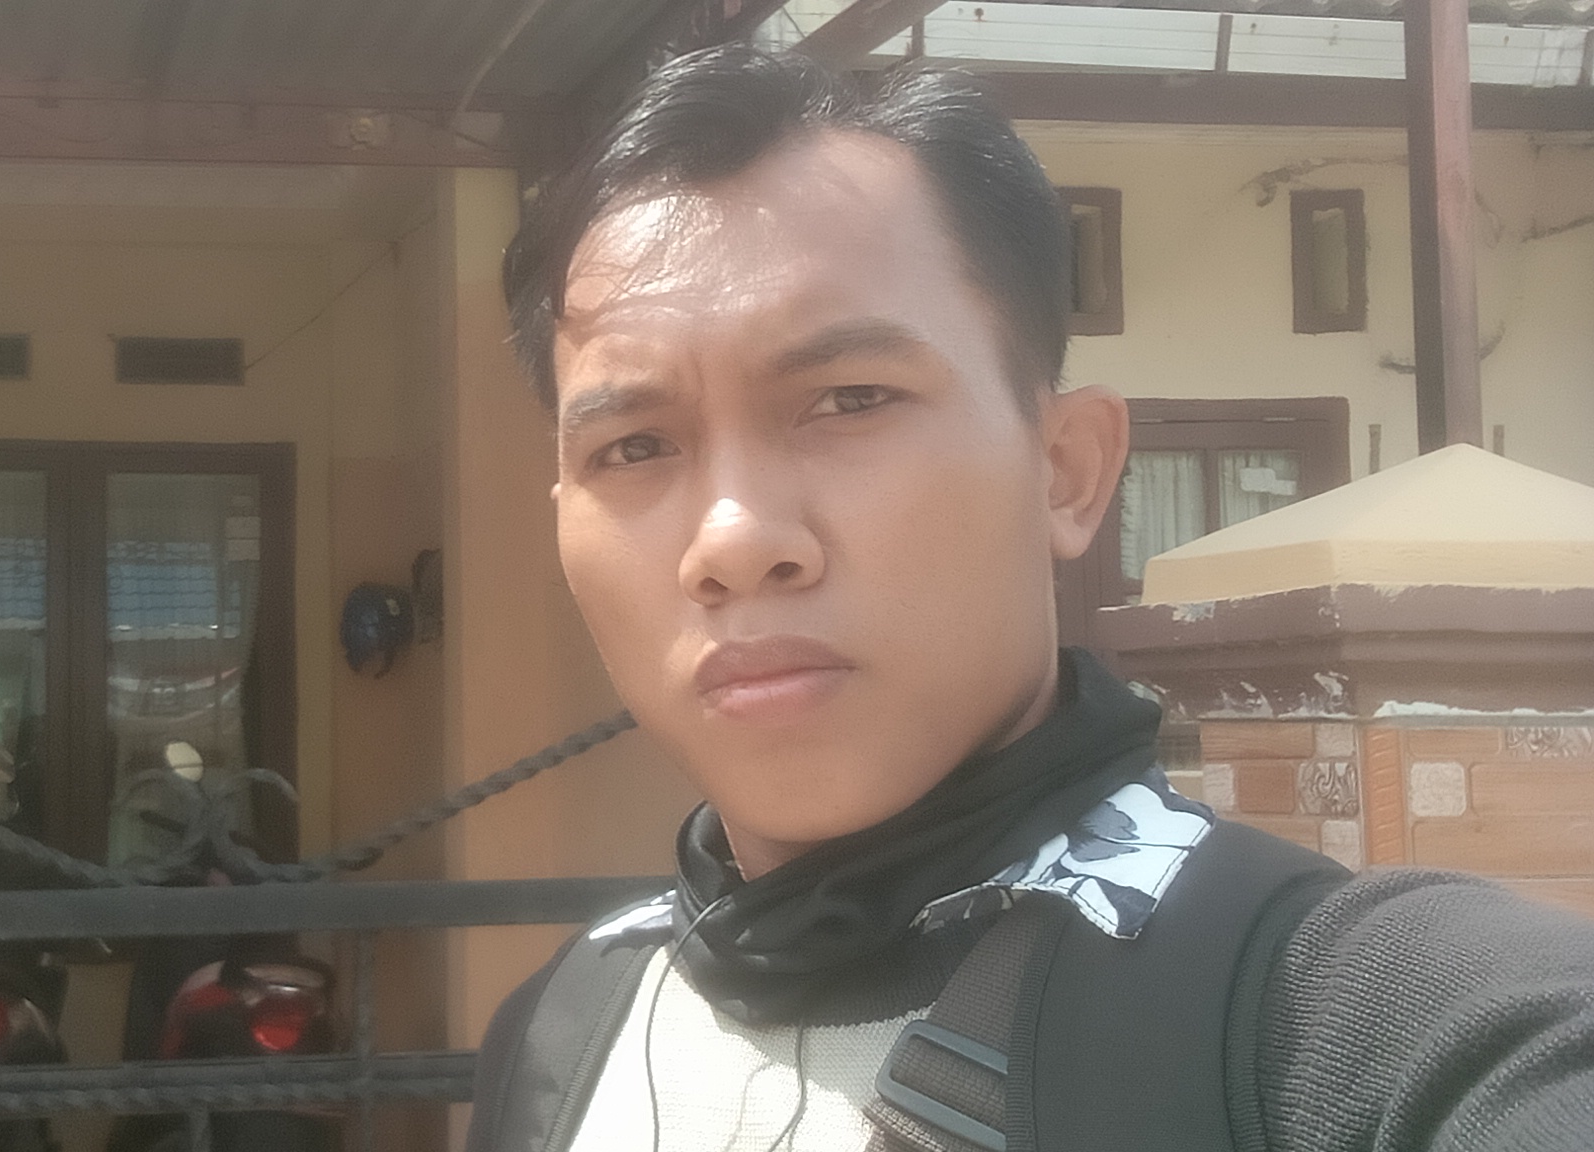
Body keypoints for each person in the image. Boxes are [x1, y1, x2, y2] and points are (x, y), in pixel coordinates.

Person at [465, 44, 1594, 1152]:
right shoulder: (566, 1028)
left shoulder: (1358, 1027)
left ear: (1065, 471)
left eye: (849, 399)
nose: (734, 541)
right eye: (633, 447)